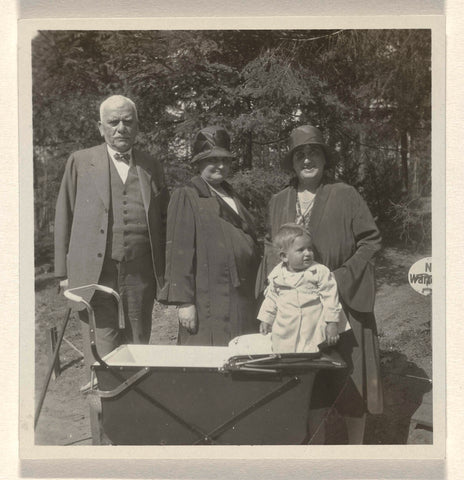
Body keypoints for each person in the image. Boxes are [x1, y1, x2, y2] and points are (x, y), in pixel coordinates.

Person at [257, 124, 383, 444]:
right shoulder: (279, 201)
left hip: (343, 298)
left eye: (314, 152)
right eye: (300, 154)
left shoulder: (345, 194)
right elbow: (272, 252)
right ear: (292, 161)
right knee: (308, 384)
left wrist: (341, 277)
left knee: (349, 377)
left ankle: (355, 452)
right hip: (296, 311)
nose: (307, 159)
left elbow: (370, 241)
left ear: (325, 159)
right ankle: (317, 451)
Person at [54, 95, 169, 389]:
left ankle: (137, 411)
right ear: (100, 127)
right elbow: (63, 214)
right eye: (113, 122)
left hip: (139, 273)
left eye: (128, 122)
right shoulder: (80, 161)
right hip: (95, 273)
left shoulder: (150, 165)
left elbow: (164, 219)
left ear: (137, 126)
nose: (121, 128)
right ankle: (105, 417)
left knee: (138, 342)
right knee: (101, 347)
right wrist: (63, 274)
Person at [159, 126, 260, 345]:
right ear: (199, 163)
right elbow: (179, 252)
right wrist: (185, 303)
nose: (220, 166)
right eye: (212, 160)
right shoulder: (187, 195)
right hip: (207, 301)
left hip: (238, 297)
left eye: (225, 160)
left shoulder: (233, 195)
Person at [258, 223, 348, 354]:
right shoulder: (277, 275)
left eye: (310, 249)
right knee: (284, 355)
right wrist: (266, 319)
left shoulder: (319, 272)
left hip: (311, 328)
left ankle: (307, 373)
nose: (307, 253)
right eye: (301, 250)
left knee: (309, 358)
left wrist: (332, 323)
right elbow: (271, 298)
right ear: (284, 256)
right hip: (285, 328)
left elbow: (330, 298)